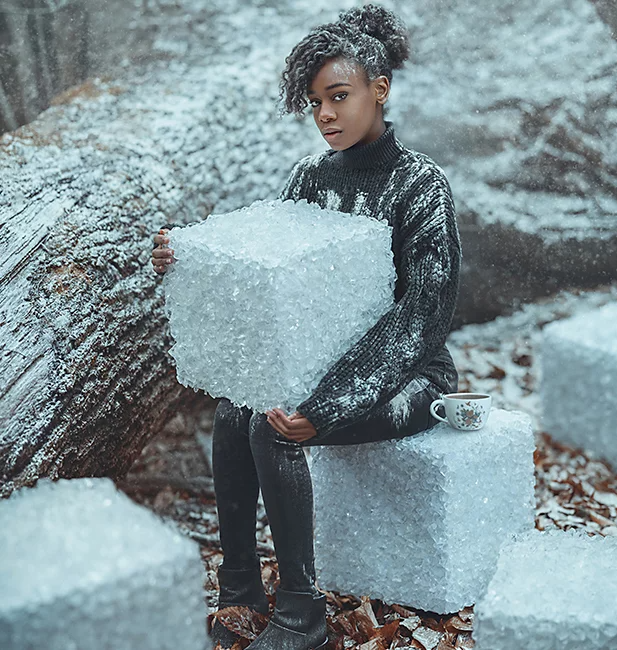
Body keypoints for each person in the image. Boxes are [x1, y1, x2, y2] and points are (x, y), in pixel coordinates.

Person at [151, 5, 461, 649]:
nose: (324, 114)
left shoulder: (420, 188)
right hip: (316, 365)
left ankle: (302, 612)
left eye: (339, 96)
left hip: (409, 378)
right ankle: (239, 588)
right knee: (236, 413)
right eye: (315, 101)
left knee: (275, 430)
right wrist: (189, 260)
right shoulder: (308, 178)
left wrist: (326, 405)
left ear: (381, 88)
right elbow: (265, 268)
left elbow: (419, 320)